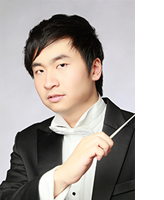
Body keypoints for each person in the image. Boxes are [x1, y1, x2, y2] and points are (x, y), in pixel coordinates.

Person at [0, 14, 136, 200]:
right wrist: (61, 177)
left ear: (95, 69)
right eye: (39, 71)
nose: (48, 83)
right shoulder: (26, 142)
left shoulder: (139, 130)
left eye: (61, 65)